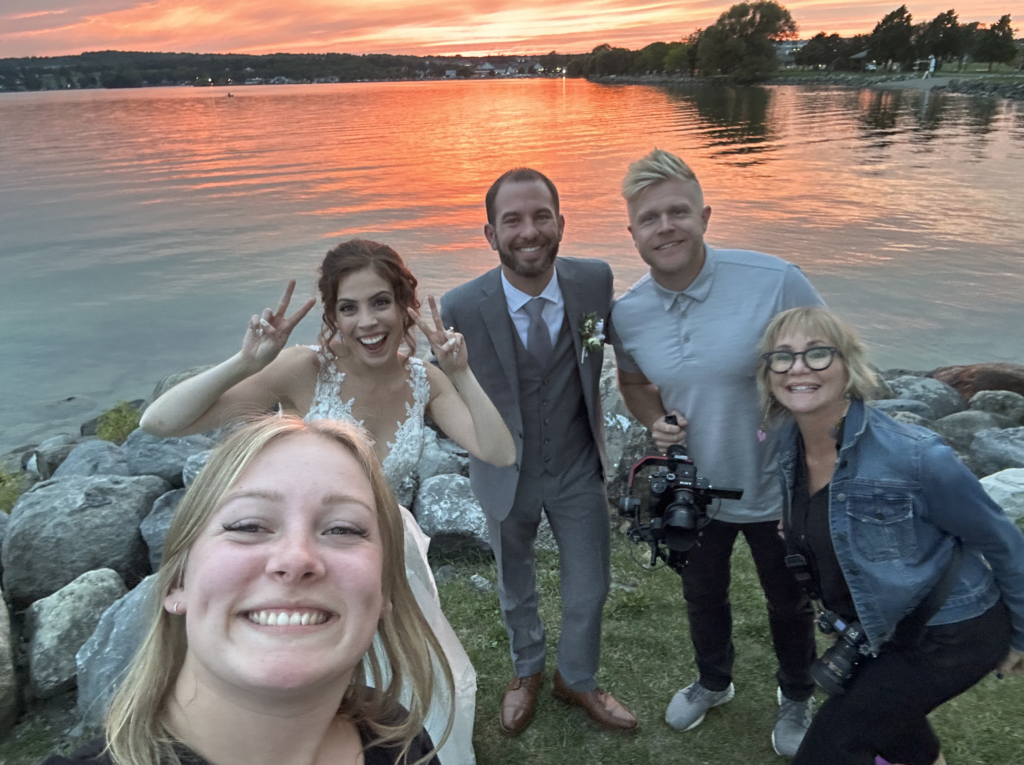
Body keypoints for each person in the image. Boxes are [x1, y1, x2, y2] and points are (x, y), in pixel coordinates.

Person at [141, 238, 516, 765]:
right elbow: (159, 422)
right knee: (326, 689)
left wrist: (459, 372)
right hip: (313, 550)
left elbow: (498, 451)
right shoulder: (305, 370)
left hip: (390, 554)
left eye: (380, 302)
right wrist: (245, 361)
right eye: (349, 307)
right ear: (333, 316)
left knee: (433, 682)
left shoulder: (422, 380)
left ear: (405, 305)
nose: (368, 321)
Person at [45, 416, 455, 765]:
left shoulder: (398, 741)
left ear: (384, 590)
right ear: (177, 581)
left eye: (343, 529)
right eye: (248, 526)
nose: (295, 560)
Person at [610, 148, 823, 756]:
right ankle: (713, 681)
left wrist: (822, 470)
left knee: (789, 598)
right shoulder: (627, 314)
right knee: (701, 593)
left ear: (705, 215)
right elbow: (632, 383)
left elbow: (832, 367)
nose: (666, 227)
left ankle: (798, 694)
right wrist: (657, 421)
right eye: (650, 219)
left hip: (781, 484)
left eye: (678, 211)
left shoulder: (775, 279)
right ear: (633, 234)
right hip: (694, 488)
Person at [758, 306, 1024, 765]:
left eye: (818, 354)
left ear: (849, 366)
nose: (798, 367)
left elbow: (1002, 541)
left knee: (832, 748)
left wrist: (1021, 636)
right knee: (898, 730)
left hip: (953, 634)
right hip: (883, 632)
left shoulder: (915, 457)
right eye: (782, 357)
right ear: (769, 374)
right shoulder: (789, 444)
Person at [439, 168, 637, 735]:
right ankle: (526, 670)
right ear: (490, 234)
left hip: (578, 467)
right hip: (503, 471)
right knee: (515, 580)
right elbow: (437, 388)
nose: (529, 231)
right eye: (513, 220)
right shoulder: (461, 306)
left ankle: (576, 678)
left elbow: (632, 342)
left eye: (540, 216)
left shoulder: (594, 282)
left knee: (590, 585)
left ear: (560, 223)